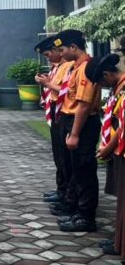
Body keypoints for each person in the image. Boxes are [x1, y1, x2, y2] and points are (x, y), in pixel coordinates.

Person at [53, 29, 99, 233]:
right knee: (76, 169)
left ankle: (86, 216)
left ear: (74, 47)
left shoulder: (86, 68)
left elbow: (83, 105)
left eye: (63, 49)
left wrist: (74, 134)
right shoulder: (77, 67)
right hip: (72, 120)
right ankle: (77, 209)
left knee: (84, 169)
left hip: (82, 123)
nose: (61, 53)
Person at [90, 54, 125, 257]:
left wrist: (108, 148)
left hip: (120, 147)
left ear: (107, 75)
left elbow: (122, 127)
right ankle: (119, 243)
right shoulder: (118, 87)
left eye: (101, 82)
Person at [34, 35, 71, 206]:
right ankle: (61, 188)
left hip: (64, 111)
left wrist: (47, 84)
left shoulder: (67, 67)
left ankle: (67, 194)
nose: (47, 58)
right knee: (58, 154)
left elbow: (65, 91)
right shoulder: (57, 68)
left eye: (49, 54)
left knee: (65, 156)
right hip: (56, 111)